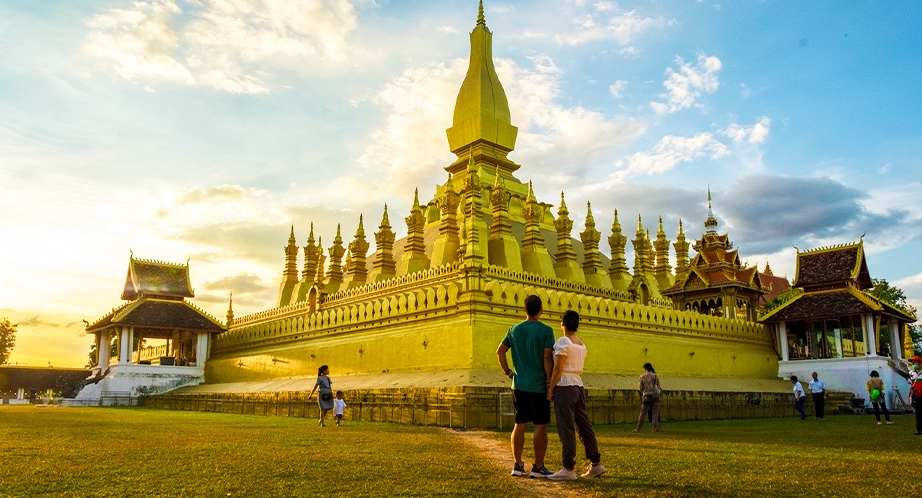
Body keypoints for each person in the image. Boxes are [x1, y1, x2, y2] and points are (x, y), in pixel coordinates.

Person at [496, 294, 555, 478]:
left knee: (519, 424)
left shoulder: (514, 330)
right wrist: (550, 380)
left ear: (524, 309)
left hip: (519, 384)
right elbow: (547, 357)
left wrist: (508, 372)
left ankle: (518, 465)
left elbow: (500, 351)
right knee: (540, 426)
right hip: (538, 385)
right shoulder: (546, 330)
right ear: (541, 310)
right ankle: (537, 466)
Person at [545, 310, 607, 481]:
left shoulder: (563, 342)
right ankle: (596, 463)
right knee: (584, 425)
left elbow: (558, 368)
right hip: (578, 386)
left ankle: (568, 467)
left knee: (566, 427)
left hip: (564, 386)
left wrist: (551, 388)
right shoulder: (581, 344)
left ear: (562, 323)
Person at [634, 363, 662, 433]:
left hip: (647, 395)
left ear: (644, 368)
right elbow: (658, 386)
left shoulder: (642, 376)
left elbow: (640, 388)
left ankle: (638, 428)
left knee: (643, 412)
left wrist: (643, 392)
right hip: (656, 394)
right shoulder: (655, 376)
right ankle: (654, 428)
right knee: (655, 412)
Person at [909, 356, 922, 435]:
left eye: (915, 362)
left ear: (920, 363)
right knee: (918, 412)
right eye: (913, 362)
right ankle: (919, 429)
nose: (913, 364)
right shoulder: (911, 373)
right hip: (916, 395)